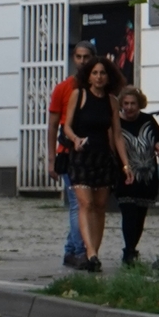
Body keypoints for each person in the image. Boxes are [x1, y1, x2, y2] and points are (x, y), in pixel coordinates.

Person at [57, 55, 130, 272]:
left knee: (99, 207)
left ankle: (94, 253)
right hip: (80, 157)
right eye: (95, 73)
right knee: (85, 204)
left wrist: (126, 165)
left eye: (103, 73)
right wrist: (75, 139)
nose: (99, 77)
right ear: (88, 76)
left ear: (109, 77)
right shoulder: (78, 95)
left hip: (102, 158)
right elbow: (66, 126)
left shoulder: (112, 101)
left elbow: (117, 135)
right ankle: (89, 251)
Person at [49, 43, 94, 268]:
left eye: (86, 57)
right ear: (73, 59)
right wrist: (50, 159)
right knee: (79, 204)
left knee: (86, 204)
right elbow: (53, 125)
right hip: (68, 152)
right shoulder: (63, 88)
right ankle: (78, 250)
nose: (82, 61)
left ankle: (71, 249)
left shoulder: (101, 88)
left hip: (94, 154)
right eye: (79, 57)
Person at [112, 87, 159, 266]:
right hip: (125, 175)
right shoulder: (116, 121)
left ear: (139, 104)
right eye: (125, 103)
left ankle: (133, 247)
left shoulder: (148, 120)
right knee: (128, 213)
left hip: (147, 176)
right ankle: (128, 250)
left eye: (133, 103)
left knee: (141, 214)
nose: (129, 107)